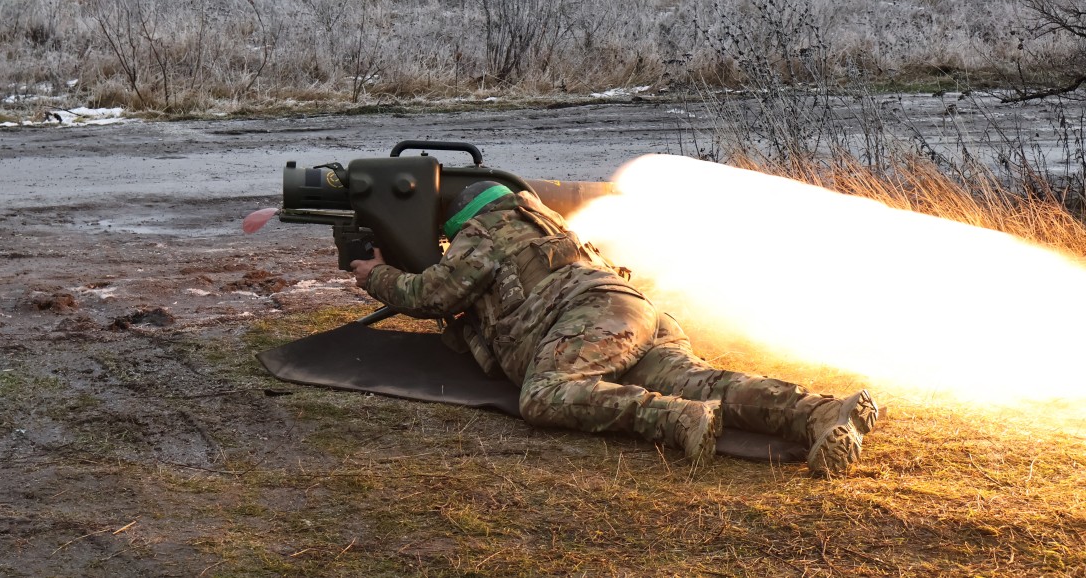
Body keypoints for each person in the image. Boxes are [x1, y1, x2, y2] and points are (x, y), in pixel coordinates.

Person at [350, 181, 878, 477]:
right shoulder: (545, 224)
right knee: (703, 381)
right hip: (631, 313)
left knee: (545, 395)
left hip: (589, 319)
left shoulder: (483, 233)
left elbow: (429, 294)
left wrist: (375, 275)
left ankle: (676, 421)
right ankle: (821, 413)